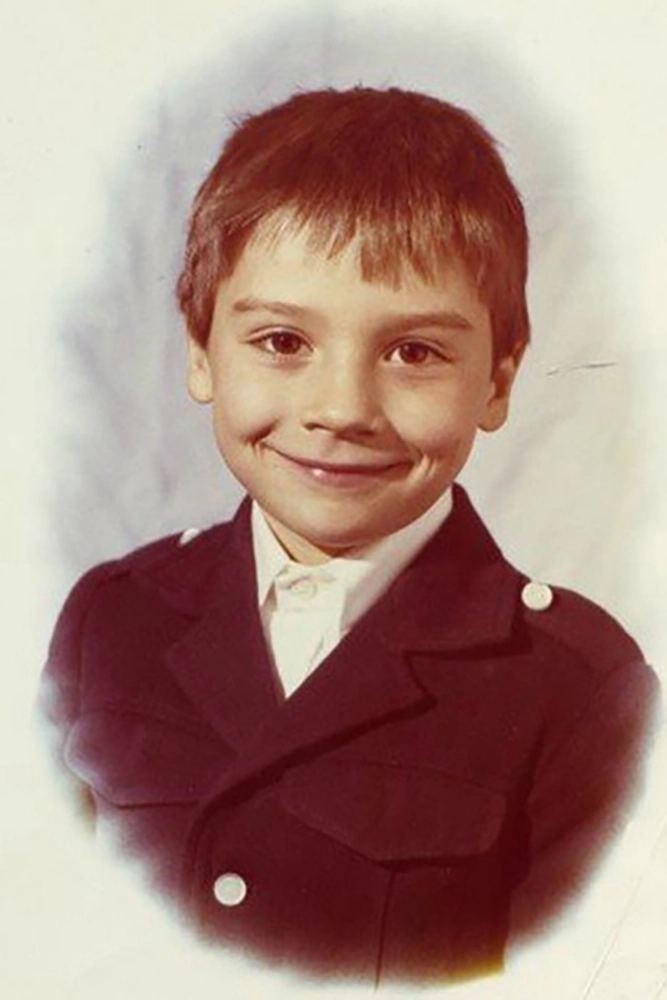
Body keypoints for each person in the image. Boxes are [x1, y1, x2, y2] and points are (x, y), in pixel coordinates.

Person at [40, 86, 658, 986]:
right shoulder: (110, 617)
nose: (341, 410)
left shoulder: (582, 691)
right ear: (202, 352)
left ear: (497, 381)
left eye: (413, 352)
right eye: (282, 342)